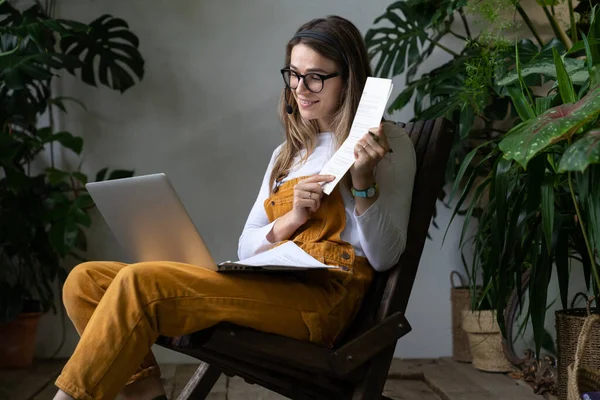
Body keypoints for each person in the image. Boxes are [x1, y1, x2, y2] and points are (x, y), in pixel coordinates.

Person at [53, 14, 416, 400]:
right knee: (86, 282)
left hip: (323, 301)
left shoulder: (385, 142)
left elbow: (385, 256)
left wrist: (363, 183)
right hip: (268, 284)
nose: (300, 88)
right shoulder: (287, 154)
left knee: (137, 284)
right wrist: (292, 218)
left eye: (316, 77)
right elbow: (247, 246)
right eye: (292, 74)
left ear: (349, 79)